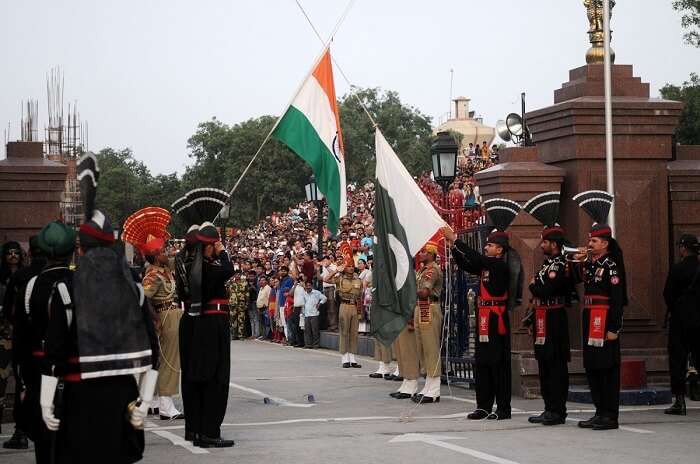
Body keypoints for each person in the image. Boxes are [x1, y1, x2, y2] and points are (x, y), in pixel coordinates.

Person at [41, 153, 160, 463]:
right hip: (123, 396)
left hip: (80, 397)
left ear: (79, 250)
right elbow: (152, 350)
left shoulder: (66, 290)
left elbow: (53, 353)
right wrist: (144, 403)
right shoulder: (133, 289)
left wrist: (45, 402)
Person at [444, 197, 523, 420]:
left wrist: (457, 240)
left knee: (498, 365)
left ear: (500, 250)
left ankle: (503, 408)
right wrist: (454, 249)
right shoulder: (487, 266)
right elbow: (468, 264)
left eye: (489, 245)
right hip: (483, 319)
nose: (486, 247)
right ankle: (483, 405)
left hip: (496, 321)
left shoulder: (499, 266)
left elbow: (478, 258)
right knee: (483, 363)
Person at [11, 223, 73, 462]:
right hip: (74, 372)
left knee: (45, 442)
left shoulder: (29, 287)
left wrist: (23, 380)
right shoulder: (82, 283)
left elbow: (20, 338)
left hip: (38, 372)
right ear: (71, 252)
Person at [572, 190, 628, 431]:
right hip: (590, 317)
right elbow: (577, 280)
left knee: (607, 368)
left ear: (604, 243)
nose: (589, 243)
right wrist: (578, 261)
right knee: (592, 366)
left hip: (605, 320)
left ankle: (610, 415)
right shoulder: (591, 263)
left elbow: (617, 299)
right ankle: (599, 411)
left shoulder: (611, 266)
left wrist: (614, 327)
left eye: (593, 241)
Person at [522, 191, 573, 426]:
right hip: (543, 316)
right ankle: (548, 407)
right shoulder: (548, 264)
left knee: (555, 365)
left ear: (554, 244)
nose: (542, 245)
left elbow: (544, 290)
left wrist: (536, 286)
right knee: (544, 363)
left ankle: (557, 409)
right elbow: (537, 288)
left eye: (545, 241)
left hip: (555, 317)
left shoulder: (561, 264)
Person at [141, 239, 184, 421]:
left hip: (173, 314)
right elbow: (143, 298)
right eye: (163, 252)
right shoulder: (152, 275)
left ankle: (155, 400)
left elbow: (179, 258)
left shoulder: (165, 270)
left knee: (161, 360)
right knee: (170, 360)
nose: (167, 253)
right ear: (157, 256)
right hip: (165, 316)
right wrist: (154, 318)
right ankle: (166, 405)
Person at [663, 234, 700, 415]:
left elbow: (667, 294)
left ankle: (679, 401)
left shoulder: (677, 269)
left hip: (680, 320)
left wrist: (677, 308)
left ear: (683, 248)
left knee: (678, 359)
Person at [0, 240, 30, 448]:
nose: (12, 256)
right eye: (9, 253)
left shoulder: (24, 278)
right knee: (1, 382)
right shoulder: (2, 279)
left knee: (22, 381)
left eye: (15, 253)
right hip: (3, 337)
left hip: (20, 337)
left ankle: (21, 429)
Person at [412, 241, 444, 404]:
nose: (421, 254)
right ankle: (428, 385)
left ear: (432, 254)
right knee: (422, 348)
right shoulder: (422, 270)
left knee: (430, 348)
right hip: (421, 307)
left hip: (429, 307)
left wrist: (408, 290)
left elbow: (424, 292)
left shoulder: (432, 270)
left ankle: (434, 389)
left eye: (425, 252)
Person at [324, 243, 363, 368]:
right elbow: (326, 279)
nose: (351, 268)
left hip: (354, 307)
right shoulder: (340, 279)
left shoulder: (358, 280)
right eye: (349, 266)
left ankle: (353, 358)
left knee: (353, 333)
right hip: (344, 306)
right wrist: (336, 270)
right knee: (344, 332)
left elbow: (360, 296)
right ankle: (344, 358)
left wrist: (360, 311)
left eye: (352, 266)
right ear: (345, 267)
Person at [302, 280, 326, 348]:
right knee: (307, 331)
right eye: (307, 286)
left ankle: (316, 344)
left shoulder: (316, 293)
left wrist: (320, 303)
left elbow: (324, 298)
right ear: (305, 286)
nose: (308, 287)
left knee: (315, 330)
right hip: (306, 314)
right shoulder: (304, 293)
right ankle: (308, 344)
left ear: (312, 286)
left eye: (310, 286)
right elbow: (303, 303)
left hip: (314, 314)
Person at [227, 271, 248, 340]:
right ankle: (234, 335)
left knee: (241, 320)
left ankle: (240, 335)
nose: (237, 275)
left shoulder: (244, 283)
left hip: (241, 304)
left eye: (239, 274)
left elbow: (247, 294)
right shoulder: (230, 283)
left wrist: (247, 303)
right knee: (233, 320)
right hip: (232, 304)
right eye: (236, 274)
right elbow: (226, 291)